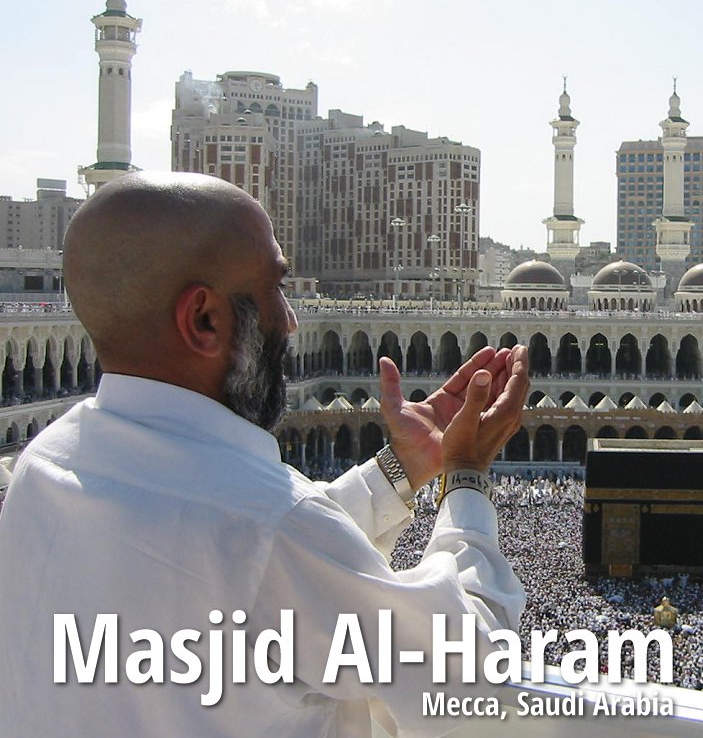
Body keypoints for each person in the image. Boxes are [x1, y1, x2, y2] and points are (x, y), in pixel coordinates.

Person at [0, 172, 530, 737]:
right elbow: (474, 679)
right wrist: (465, 477)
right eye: (275, 288)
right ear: (204, 319)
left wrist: (399, 471)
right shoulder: (272, 530)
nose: (293, 318)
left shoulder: (43, 467)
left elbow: (224, 563)